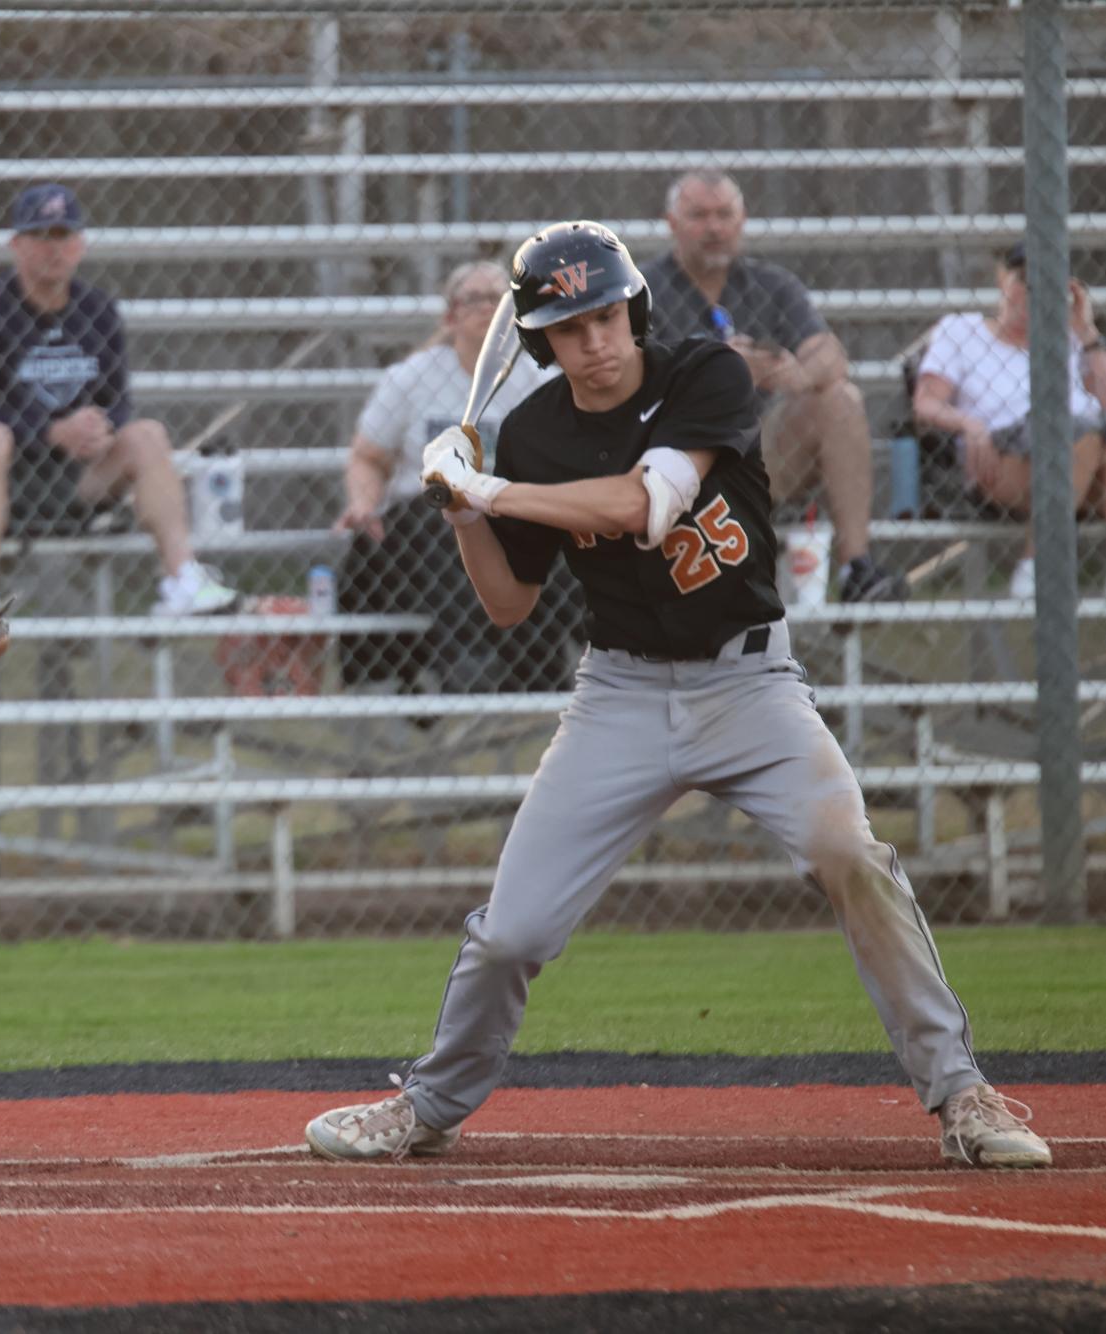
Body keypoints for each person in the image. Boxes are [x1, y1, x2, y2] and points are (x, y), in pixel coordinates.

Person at [304, 221, 1052, 1171]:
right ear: (542, 342)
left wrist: (489, 490)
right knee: (513, 933)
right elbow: (506, 603)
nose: (596, 341)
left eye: (608, 316)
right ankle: (428, 1104)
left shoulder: (705, 372)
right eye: (570, 328)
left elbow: (643, 508)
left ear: (634, 311)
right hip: (616, 694)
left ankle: (962, 1092)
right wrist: (459, 510)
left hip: (749, 684)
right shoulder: (530, 434)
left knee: (848, 854)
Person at [0, 182, 238, 615]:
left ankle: (183, 578)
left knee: (147, 435)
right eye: (42, 236)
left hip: (70, 478)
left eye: (65, 236)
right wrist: (48, 430)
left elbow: (117, 400)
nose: (56, 249)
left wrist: (100, 428)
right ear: (17, 245)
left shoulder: (97, 309)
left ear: (81, 244)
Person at [646, 169, 907, 603]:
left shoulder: (771, 284)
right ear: (671, 223)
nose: (714, 227)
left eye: (724, 214)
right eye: (699, 215)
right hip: (674, 456)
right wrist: (721, 372)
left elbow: (830, 355)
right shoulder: (644, 289)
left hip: (758, 455)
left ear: (742, 219)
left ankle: (857, 568)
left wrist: (795, 374)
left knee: (839, 397)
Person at [334, 259, 577, 693]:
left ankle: (525, 665)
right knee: (447, 511)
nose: (489, 308)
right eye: (475, 299)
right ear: (450, 316)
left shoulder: (541, 377)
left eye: (500, 299)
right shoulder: (413, 377)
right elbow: (368, 457)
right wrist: (363, 504)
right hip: (428, 519)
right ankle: (467, 658)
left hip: (512, 509)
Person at [911, 240, 1106, 599]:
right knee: (1079, 433)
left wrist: (1088, 335)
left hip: (1083, 452)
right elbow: (925, 403)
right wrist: (970, 425)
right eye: (1024, 281)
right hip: (1002, 453)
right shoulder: (962, 329)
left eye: (1046, 282)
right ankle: (1039, 568)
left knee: (1085, 434)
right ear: (1003, 280)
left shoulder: (1071, 338)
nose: (1032, 292)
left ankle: (1037, 566)